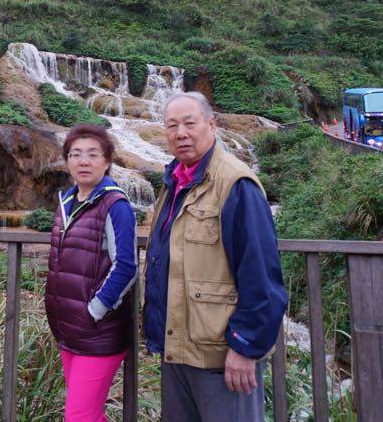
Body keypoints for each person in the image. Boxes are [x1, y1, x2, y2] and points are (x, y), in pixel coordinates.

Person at [143, 92, 287, 422]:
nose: (181, 133)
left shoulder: (235, 184)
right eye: (172, 126)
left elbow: (260, 273)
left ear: (212, 125)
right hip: (178, 351)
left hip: (222, 358)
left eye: (189, 123)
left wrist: (245, 346)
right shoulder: (174, 181)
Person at [44, 124, 138, 421]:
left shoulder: (115, 205)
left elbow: (126, 266)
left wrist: (95, 310)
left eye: (93, 154)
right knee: (87, 414)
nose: (83, 161)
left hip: (97, 331)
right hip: (68, 329)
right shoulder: (66, 202)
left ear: (107, 160)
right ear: (67, 160)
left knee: (78, 416)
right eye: (76, 154)